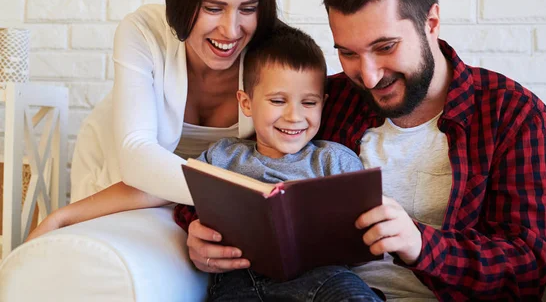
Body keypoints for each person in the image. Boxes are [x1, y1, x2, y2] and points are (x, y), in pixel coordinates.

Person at [180, 0, 546, 301]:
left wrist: (420, 244)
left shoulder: (512, 115)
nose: (369, 76)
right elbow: (236, 172)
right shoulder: (322, 104)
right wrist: (198, 230)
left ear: (431, 22)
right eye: (348, 53)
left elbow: (527, 269)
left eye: (385, 48)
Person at [28, 25, 383, 302]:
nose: (294, 116)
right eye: (277, 100)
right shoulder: (224, 157)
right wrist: (64, 215)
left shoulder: (333, 160)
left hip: (322, 278)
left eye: (309, 103)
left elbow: (366, 235)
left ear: (323, 102)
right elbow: (152, 189)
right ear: (246, 103)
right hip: (238, 282)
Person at [67, 0, 277, 213]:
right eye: (213, 8)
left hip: (204, 209)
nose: (231, 30)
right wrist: (248, 195)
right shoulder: (143, 31)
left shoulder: (276, 51)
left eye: (248, 8)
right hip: (118, 188)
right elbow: (136, 157)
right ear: (180, 0)